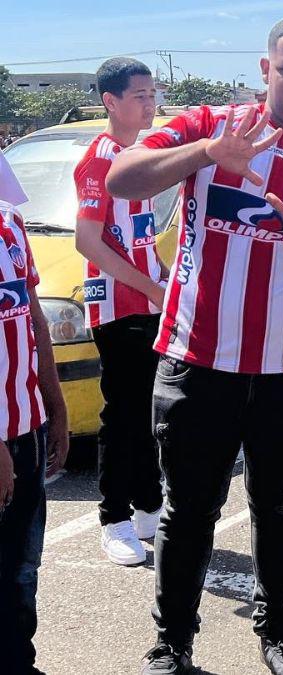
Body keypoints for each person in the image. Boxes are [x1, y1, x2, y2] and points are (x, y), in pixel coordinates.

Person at [106, 15, 283, 675]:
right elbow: (122, 179)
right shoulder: (211, 125)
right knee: (188, 510)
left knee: (278, 506)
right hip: (197, 361)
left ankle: (280, 636)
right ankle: (172, 644)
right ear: (265, 70)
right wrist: (207, 156)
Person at [73, 56, 167, 567]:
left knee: (151, 412)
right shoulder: (100, 158)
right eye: (140, 95)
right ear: (111, 101)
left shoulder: (140, 154)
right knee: (123, 413)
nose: (150, 103)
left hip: (150, 300)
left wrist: (164, 279)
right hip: (117, 305)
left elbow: (140, 236)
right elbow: (88, 240)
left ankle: (150, 507)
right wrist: (151, 287)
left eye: (153, 94)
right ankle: (113, 518)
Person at [0, 154, 69, 675]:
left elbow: (34, 320)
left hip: (28, 428)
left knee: (23, 566)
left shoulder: (11, 224)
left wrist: (56, 406)